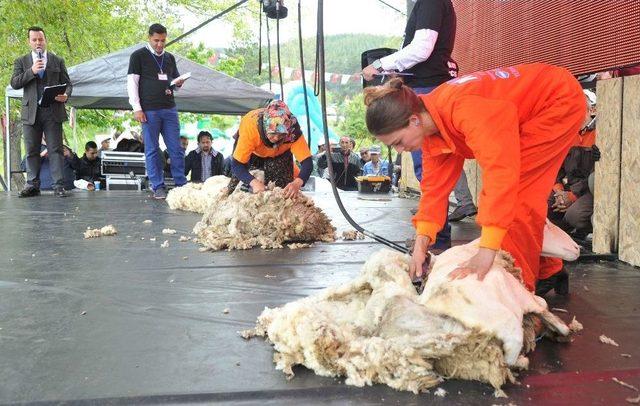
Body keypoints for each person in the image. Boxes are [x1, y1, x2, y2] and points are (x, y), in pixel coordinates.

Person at [363, 63, 587, 295]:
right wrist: (421, 244)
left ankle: (519, 292)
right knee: (518, 199)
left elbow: (500, 173)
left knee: (519, 198)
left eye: (398, 142)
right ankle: (549, 270)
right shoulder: (431, 127)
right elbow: (433, 192)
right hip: (530, 107)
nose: (400, 151)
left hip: (556, 101)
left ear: (413, 120)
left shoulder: (464, 109)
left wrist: (487, 249)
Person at [362, 0, 468, 249]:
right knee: (432, 169)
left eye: (397, 143)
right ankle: (434, 234)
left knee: (430, 171)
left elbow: (421, 48)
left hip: (429, 87)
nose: (398, 149)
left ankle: (437, 237)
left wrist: (380, 65)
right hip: (430, 86)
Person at [11, 26, 73, 198]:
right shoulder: (21, 61)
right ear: (29, 42)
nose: (38, 42)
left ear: (45, 40)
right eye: (34, 40)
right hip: (31, 112)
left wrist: (65, 95)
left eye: (41, 39)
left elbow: (68, 84)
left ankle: (58, 185)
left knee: (55, 149)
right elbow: (15, 83)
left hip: (52, 110)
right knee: (31, 150)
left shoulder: (57, 60)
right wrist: (31, 71)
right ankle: (32, 184)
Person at [127, 23, 187, 200]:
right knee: (153, 149)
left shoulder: (169, 58)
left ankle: (180, 183)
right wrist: (137, 108)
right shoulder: (138, 56)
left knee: (176, 148)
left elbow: (173, 81)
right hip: (149, 110)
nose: (160, 44)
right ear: (149, 38)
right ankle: (158, 186)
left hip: (169, 108)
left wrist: (178, 83)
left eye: (163, 41)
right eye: (156, 40)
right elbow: (132, 83)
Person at [229, 100, 313, 198]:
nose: (276, 138)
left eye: (281, 134)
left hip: (280, 153)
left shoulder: (293, 133)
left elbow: (307, 162)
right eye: (273, 134)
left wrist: (297, 183)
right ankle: (229, 191)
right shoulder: (251, 130)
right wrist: (254, 182)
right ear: (265, 128)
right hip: (254, 151)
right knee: (240, 188)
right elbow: (237, 164)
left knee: (282, 191)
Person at [548, 90, 599, 240]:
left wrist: (572, 195)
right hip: (569, 189)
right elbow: (555, 168)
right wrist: (559, 192)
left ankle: (574, 226)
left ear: (592, 110)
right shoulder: (566, 134)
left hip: (589, 190)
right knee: (542, 206)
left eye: (578, 106)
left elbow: (596, 176)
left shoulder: (601, 132)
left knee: (575, 216)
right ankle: (565, 226)